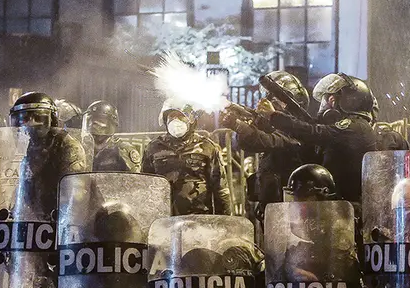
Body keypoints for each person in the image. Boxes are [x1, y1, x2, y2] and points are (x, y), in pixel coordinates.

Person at [6, 91, 86, 288]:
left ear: (51, 118)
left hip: (64, 229)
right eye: (23, 119)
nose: (29, 124)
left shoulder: (66, 145)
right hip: (36, 229)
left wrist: (62, 225)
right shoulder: (24, 150)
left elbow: (76, 191)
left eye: (36, 117)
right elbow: (20, 189)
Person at [264, 73, 377, 208]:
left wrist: (274, 116)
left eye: (330, 99)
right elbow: (310, 128)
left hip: (350, 210)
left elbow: (312, 132)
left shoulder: (355, 127)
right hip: (337, 206)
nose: (324, 105)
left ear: (348, 100)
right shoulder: (352, 128)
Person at [221, 71, 317, 218]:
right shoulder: (277, 125)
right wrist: (245, 116)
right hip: (272, 200)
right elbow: (246, 144)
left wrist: (239, 125)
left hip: (290, 203)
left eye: (275, 100)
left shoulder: (297, 129)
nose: (269, 102)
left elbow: (268, 141)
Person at [142, 101, 231, 216]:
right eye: (171, 116)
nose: (176, 121)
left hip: (198, 219)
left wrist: (224, 224)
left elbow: (220, 189)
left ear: (192, 119)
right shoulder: (153, 148)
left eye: (181, 116)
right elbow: (144, 185)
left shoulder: (207, 147)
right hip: (163, 219)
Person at [82, 100, 140, 172]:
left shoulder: (123, 149)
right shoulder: (81, 147)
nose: (93, 124)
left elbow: (135, 178)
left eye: (99, 119)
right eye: (90, 120)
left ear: (111, 122)